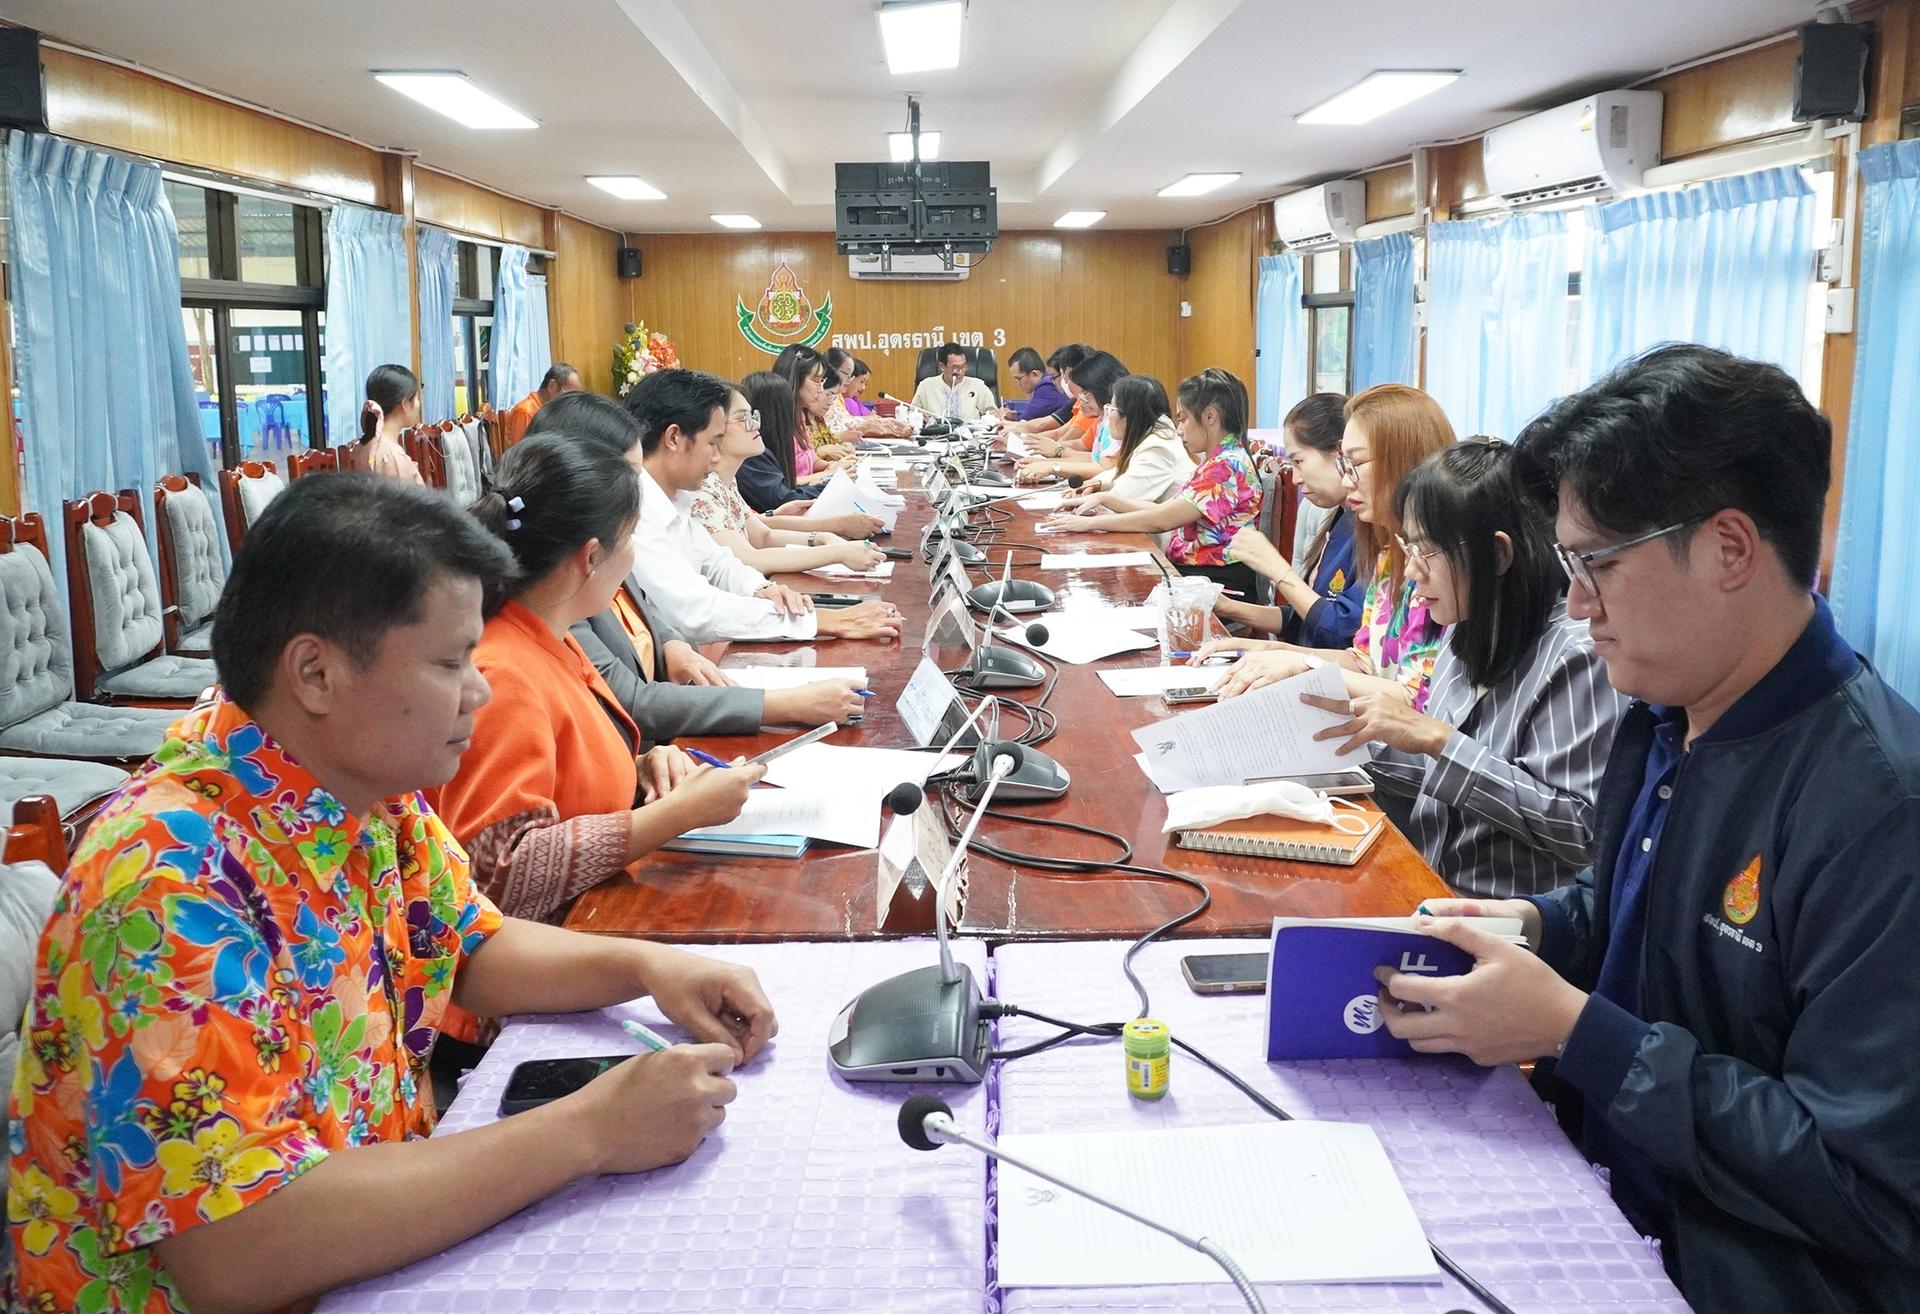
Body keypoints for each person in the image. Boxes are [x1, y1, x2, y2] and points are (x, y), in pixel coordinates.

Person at [5, 473, 777, 1314]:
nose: (479, 691)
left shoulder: (359, 786)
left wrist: (650, 966)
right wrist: (589, 1131)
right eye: (451, 663)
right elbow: (235, 1253)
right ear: (316, 673)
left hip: (367, 1233)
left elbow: (471, 946)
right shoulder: (164, 882)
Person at [1371, 346, 1920, 1314]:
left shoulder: (1878, 811)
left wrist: (1578, 1033)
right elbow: (1631, 909)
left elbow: (1865, 1182)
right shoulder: (1668, 711)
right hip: (1596, 1182)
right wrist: (1531, 925)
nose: (1579, 611)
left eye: (1597, 568)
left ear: (1730, 550)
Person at [426, 434, 760, 922]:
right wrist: (676, 814)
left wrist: (642, 768)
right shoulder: (503, 672)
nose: (633, 562)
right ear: (590, 557)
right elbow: (497, 875)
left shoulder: (551, 636)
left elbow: (569, 773)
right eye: (629, 540)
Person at [1300, 440, 1626, 898]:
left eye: (1425, 552)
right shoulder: (1465, 623)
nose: (1412, 573)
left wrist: (1438, 740)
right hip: (1435, 888)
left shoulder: (1575, 654)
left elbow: (1578, 830)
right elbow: (1444, 778)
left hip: (1510, 921)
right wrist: (1339, 746)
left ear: (1496, 556)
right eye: (1407, 548)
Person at [523, 391, 866, 746]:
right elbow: (631, 701)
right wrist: (788, 703)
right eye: (630, 478)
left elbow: (654, 603)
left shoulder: (603, 541)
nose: (638, 491)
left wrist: (671, 643)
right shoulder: (556, 587)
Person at [1197, 384, 1456, 708]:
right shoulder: (1390, 553)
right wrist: (1275, 651)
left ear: (1402, 460)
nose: (1347, 481)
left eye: (1355, 464)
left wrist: (1302, 664)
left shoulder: (1439, 564)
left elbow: (1418, 697)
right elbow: (1362, 660)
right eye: (1344, 466)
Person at [626, 368, 903, 644]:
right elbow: (697, 610)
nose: (714, 457)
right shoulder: (634, 512)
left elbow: (719, 563)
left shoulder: (676, 496)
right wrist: (826, 620)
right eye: (712, 443)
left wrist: (760, 588)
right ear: (674, 438)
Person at [1045, 368, 1263, 596]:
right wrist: (1104, 497)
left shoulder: (1225, 465)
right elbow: (1167, 510)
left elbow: (1162, 520)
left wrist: (1090, 524)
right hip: (1197, 573)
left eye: (1183, 419)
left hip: (1217, 581)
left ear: (1210, 417)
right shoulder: (1221, 457)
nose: (1179, 430)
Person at [1214, 392, 1369, 649]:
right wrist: (1224, 606)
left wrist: (1277, 569)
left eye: (1299, 461)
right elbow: (1304, 619)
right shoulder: (1341, 519)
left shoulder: (1374, 531)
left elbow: (1340, 632)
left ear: (1339, 453)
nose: (1295, 478)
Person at [690, 383, 889, 576]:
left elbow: (764, 536)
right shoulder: (701, 489)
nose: (755, 425)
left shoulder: (723, 481)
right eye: (743, 418)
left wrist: (823, 538)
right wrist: (836, 552)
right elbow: (750, 559)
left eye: (753, 416)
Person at [734, 371, 886, 538]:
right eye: (744, 418)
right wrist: (831, 482)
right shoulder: (750, 457)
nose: (753, 423)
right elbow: (783, 499)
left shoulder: (761, 451)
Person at [1014, 351, 1127, 485]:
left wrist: (1053, 465)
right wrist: (1042, 462)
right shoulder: (1103, 418)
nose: (1080, 399)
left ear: (1102, 388)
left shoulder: (1119, 419)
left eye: (1085, 393)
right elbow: (1095, 459)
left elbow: (1107, 467)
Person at [773, 345, 854, 466]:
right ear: (796, 378)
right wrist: (828, 471)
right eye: (816, 381)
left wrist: (835, 466)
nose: (821, 389)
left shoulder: (799, 415)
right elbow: (784, 479)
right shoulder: (778, 419)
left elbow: (812, 461)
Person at [1004, 343, 1092, 439]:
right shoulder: (1077, 401)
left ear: (1069, 374)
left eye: (1054, 376)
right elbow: (1057, 432)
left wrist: (1021, 439)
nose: (1054, 381)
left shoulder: (1047, 386)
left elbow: (1065, 440)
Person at [822, 348, 911, 440]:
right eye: (846, 374)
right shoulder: (823, 395)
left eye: (851, 376)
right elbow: (831, 430)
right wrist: (863, 427)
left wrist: (885, 422)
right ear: (831, 370)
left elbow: (845, 420)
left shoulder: (836, 395)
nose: (849, 381)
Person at [358, 363, 425, 484]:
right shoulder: (392, 456)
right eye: (416, 398)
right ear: (405, 405)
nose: (418, 404)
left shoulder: (363, 446)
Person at [500, 361, 583, 447]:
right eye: (569, 395)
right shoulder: (526, 412)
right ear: (552, 386)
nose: (572, 401)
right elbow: (522, 454)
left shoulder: (551, 410)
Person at [910, 342, 996, 423]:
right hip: (935, 437)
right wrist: (918, 416)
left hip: (971, 437)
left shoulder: (978, 386)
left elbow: (994, 415)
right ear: (942, 367)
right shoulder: (926, 386)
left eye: (963, 366)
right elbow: (912, 413)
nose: (961, 372)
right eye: (955, 367)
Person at [999, 346, 1070, 422]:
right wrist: (1015, 415)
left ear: (1035, 374)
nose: (1018, 384)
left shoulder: (1047, 387)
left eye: (1019, 379)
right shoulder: (1046, 383)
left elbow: (1025, 421)